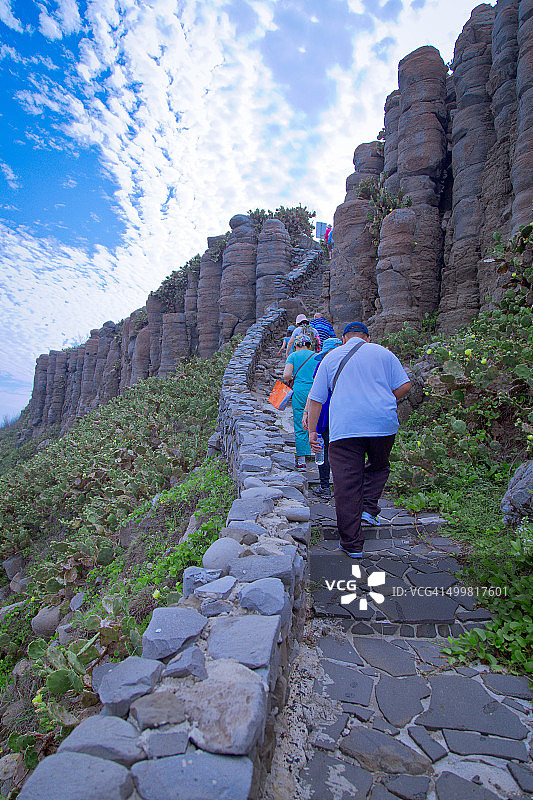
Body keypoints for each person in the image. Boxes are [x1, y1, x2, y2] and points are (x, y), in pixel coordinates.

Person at [307, 321, 411, 557]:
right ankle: (368, 507)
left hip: (345, 427)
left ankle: (352, 544)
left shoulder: (331, 357)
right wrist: (384, 399)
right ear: (368, 337)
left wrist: (312, 432)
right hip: (382, 424)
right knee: (379, 466)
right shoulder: (383, 353)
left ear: (344, 338)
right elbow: (405, 385)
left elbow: (316, 399)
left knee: (346, 483)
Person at [302, 337, 342, 499]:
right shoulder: (351, 363)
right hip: (345, 409)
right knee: (344, 450)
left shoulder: (323, 364)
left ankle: (325, 487)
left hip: (324, 410)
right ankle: (344, 489)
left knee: (323, 449)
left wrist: (307, 412)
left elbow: (315, 393)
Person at [283, 334, 317, 471]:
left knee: (299, 422)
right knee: (316, 422)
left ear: (296, 346)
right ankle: (320, 455)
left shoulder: (293, 356)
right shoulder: (317, 356)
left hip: (299, 391)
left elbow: (286, 375)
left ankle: (302, 461)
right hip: (315, 391)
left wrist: (292, 378)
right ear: (309, 345)